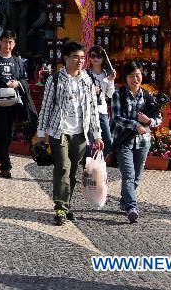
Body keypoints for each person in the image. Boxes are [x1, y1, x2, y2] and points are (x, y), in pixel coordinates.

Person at [36, 41, 103, 226]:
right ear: (65, 58)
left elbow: (92, 108)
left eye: (82, 57)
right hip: (60, 131)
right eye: (76, 57)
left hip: (80, 133)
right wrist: (41, 133)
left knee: (73, 172)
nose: (80, 60)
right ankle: (60, 206)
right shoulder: (55, 79)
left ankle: (66, 205)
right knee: (63, 168)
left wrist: (97, 134)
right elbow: (47, 106)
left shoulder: (88, 80)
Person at [0, 30, 36, 179]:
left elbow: (23, 78)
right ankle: (5, 166)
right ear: (0, 42)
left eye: (10, 42)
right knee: (2, 133)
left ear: (14, 44)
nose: (7, 45)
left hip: (13, 102)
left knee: (8, 135)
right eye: (5, 41)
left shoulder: (17, 60)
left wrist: (18, 83)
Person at [110, 61, 162, 224]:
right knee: (129, 175)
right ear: (125, 78)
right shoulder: (118, 95)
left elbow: (159, 118)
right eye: (131, 76)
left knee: (137, 177)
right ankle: (132, 207)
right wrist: (136, 124)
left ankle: (125, 200)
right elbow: (116, 117)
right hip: (123, 141)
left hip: (143, 142)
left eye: (138, 75)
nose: (135, 79)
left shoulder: (147, 96)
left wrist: (149, 121)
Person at [85, 46, 115, 149]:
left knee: (107, 141)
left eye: (99, 56)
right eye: (93, 56)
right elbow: (89, 91)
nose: (95, 59)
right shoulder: (85, 74)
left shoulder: (107, 74)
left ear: (103, 58)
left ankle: (97, 162)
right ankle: (87, 164)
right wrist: (106, 81)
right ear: (89, 58)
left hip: (102, 110)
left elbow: (110, 95)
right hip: (88, 110)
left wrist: (110, 80)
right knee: (88, 143)